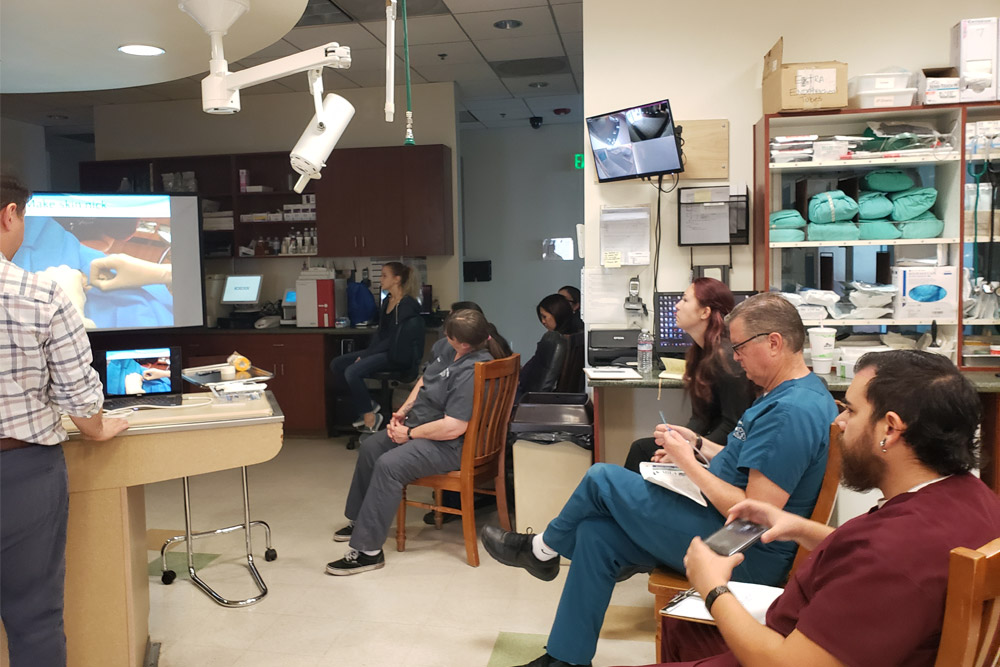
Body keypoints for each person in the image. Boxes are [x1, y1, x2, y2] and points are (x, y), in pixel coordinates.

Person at [482, 292, 839, 667]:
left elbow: (755, 514)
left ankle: (542, 549)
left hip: (741, 551)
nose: (735, 357)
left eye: (740, 347)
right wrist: (697, 444)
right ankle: (565, 659)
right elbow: (746, 462)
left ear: (774, 342)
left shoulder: (790, 412)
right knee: (595, 536)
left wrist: (688, 464)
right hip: (722, 527)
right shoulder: (793, 393)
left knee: (602, 478)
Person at [649, 349, 1000, 667]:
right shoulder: (975, 499)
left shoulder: (892, 552)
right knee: (684, 627)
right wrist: (798, 526)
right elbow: (870, 561)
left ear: (890, 429)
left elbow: (787, 664)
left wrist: (713, 587)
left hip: (785, 653)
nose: (839, 422)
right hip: (843, 639)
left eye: (851, 410)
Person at [0, 172, 130, 667]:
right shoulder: (42, 295)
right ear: (10, 214)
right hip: (21, 475)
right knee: (34, 617)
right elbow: (80, 399)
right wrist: (98, 428)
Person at [326, 309, 509, 575]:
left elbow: (453, 427)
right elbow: (426, 379)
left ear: (464, 344)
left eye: (449, 335)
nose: (444, 337)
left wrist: (409, 434)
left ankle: (368, 552)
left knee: (389, 465)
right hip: (423, 425)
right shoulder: (448, 348)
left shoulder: (473, 370)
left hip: (452, 444)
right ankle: (360, 520)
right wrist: (403, 411)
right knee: (372, 447)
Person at [625, 279, 755, 473]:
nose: (677, 306)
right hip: (709, 442)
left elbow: (732, 425)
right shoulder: (701, 353)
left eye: (685, 300)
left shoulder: (727, 357)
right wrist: (677, 444)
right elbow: (701, 417)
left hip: (727, 452)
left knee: (641, 451)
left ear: (705, 312)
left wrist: (689, 451)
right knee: (642, 449)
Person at [424, 300, 513, 526]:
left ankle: (450, 502)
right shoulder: (493, 344)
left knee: (436, 426)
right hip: (489, 433)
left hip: (470, 437)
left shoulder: (475, 362)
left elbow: (455, 419)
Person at [329, 261, 421, 432]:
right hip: (382, 350)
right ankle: (369, 405)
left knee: (352, 371)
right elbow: (380, 333)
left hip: (396, 354)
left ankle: (368, 415)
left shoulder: (407, 306)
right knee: (337, 364)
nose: (380, 279)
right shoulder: (387, 302)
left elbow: (393, 339)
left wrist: (366, 356)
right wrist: (368, 353)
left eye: (384, 276)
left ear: (397, 279)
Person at [518, 293, 579, 397]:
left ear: (557, 314)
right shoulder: (574, 337)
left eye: (545, 317)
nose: (543, 321)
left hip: (531, 396)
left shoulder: (553, 342)